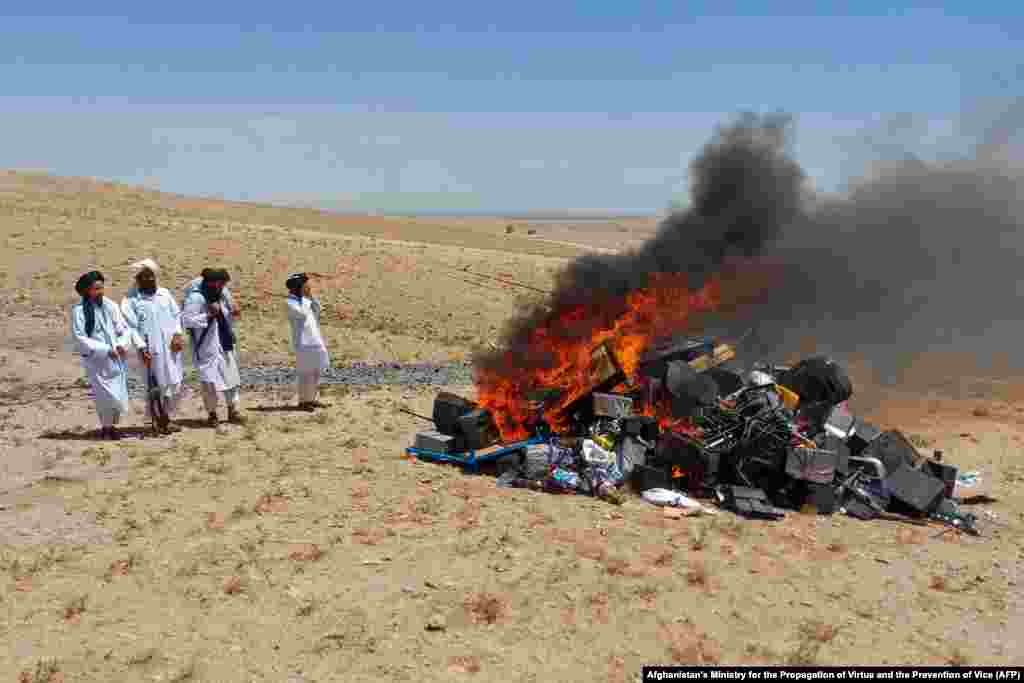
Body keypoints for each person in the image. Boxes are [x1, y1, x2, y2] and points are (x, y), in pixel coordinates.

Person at [121, 258, 185, 435]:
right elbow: (130, 328)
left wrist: (178, 334)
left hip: (171, 348)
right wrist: (141, 348)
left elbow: (176, 315)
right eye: (144, 277)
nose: (149, 280)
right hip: (148, 350)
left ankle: (166, 419)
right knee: (154, 386)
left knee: (173, 383)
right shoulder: (130, 300)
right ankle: (157, 421)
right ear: (137, 279)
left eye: (151, 276)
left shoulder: (164, 294)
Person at [71, 270, 132, 439]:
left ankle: (112, 426)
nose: (100, 292)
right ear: (87, 291)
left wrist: (121, 344)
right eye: (96, 289)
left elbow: (123, 328)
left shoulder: (110, 305)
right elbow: (80, 338)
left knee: (117, 394)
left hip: (116, 359)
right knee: (103, 395)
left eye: (101, 288)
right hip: (96, 361)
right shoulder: (79, 311)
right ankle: (106, 428)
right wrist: (105, 350)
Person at [182, 268, 246, 426]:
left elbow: (225, 315)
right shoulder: (196, 298)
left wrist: (233, 313)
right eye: (221, 283)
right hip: (206, 346)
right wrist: (208, 315)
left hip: (224, 342)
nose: (223, 286)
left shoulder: (221, 295)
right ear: (214, 282)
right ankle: (212, 414)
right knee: (209, 382)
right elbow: (187, 320)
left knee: (231, 378)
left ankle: (233, 410)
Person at [286, 273, 330, 411]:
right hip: (303, 343)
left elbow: (317, 309)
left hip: (315, 340)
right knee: (306, 373)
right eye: (305, 285)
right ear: (298, 287)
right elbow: (302, 313)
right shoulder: (290, 302)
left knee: (317, 370)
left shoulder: (306, 300)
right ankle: (304, 401)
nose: (308, 287)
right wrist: (305, 298)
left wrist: (310, 296)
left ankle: (312, 398)